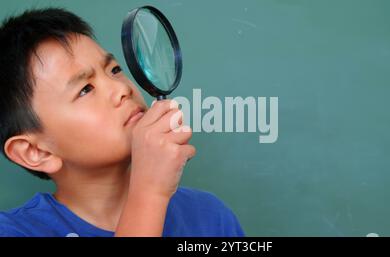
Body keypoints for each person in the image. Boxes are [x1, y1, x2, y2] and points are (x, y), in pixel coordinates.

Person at [0, 8, 244, 237]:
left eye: (114, 70)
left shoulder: (210, 216)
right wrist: (149, 193)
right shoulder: (13, 231)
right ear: (35, 151)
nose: (121, 88)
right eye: (85, 89)